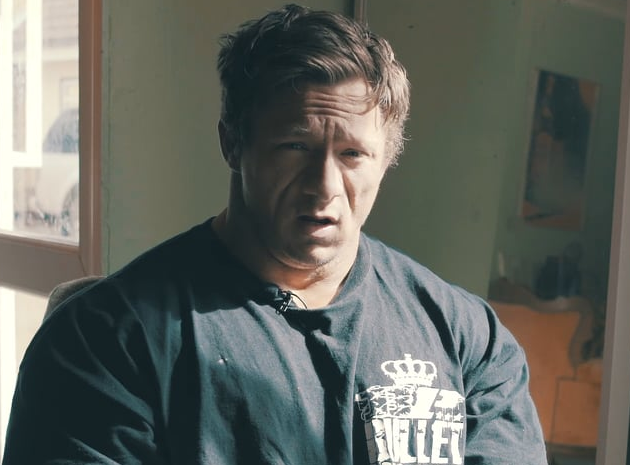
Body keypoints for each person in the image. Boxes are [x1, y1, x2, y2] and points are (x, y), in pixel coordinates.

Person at [2, 4, 547, 464]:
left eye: (352, 154)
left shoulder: (468, 338)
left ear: (387, 160)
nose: (324, 186)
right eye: (295, 147)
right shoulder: (106, 341)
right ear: (233, 143)